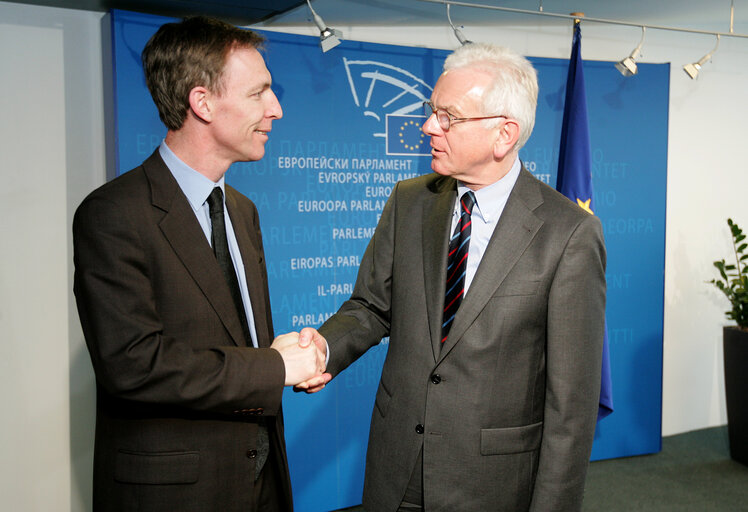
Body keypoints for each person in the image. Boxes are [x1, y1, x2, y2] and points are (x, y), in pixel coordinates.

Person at [297, 43, 606, 511]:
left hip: (492, 484)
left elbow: (571, 405)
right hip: (396, 466)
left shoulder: (569, 234)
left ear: (504, 134)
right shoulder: (409, 201)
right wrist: (323, 348)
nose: (427, 127)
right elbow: (370, 307)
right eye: (431, 111)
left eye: (448, 117)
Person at [73, 16, 328, 512]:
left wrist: (285, 359)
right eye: (259, 93)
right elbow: (134, 366)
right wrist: (274, 367)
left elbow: (235, 344)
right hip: (175, 495)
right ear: (202, 102)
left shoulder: (243, 212)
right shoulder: (113, 214)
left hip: (263, 483)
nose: (275, 109)